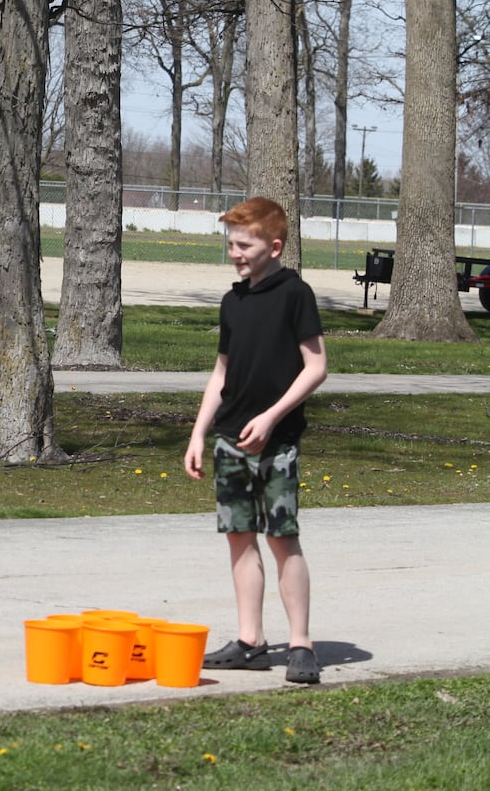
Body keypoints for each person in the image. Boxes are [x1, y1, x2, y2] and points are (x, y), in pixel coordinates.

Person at [183, 195, 327, 685]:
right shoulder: (232, 302)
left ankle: (302, 645)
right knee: (239, 539)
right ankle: (251, 641)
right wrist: (199, 433)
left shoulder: (295, 295)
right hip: (229, 441)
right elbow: (221, 374)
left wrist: (270, 418)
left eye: (244, 244)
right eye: (230, 244)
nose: (235, 252)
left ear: (275, 245)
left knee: (282, 538)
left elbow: (316, 367)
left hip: (277, 441)